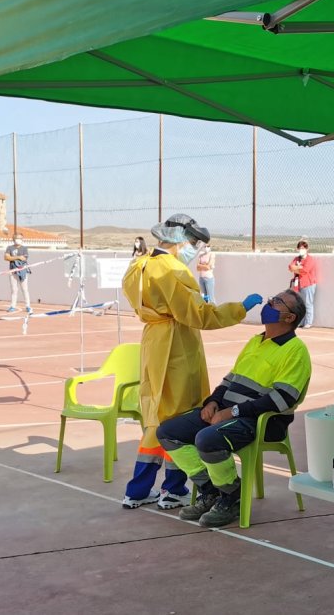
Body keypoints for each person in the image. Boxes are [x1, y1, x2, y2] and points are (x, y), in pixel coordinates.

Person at [120, 213, 263, 510]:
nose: (194, 248)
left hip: (153, 342)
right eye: (193, 242)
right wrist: (239, 308)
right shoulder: (172, 271)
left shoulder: (138, 265)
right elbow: (200, 315)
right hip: (176, 347)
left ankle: (137, 490)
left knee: (154, 418)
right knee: (179, 419)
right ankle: (173, 488)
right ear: (179, 240)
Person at [159, 289, 311, 528]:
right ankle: (211, 490)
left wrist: (233, 412)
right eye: (272, 298)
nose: (270, 303)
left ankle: (232, 496)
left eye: (277, 302)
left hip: (261, 422)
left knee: (207, 439)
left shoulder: (295, 350)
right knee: (168, 432)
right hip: (229, 413)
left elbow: (282, 399)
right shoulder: (256, 341)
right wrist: (213, 402)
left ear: (290, 318)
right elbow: (231, 380)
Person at [288, 239, 318, 329]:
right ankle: (301, 322)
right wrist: (299, 267)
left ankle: (308, 322)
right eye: (300, 248)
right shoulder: (296, 259)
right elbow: (290, 267)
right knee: (300, 304)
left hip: (308, 284)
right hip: (298, 285)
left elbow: (305, 270)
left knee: (308, 303)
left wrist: (296, 268)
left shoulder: (310, 259)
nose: (301, 250)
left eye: (303, 248)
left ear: (307, 249)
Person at [3, 233, 32, 314]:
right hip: (12, 271)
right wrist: (18, 257)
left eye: (20, 238)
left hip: (23, 271)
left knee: (25, 289)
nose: (18, 239)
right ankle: (13, 306)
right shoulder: (9, 248)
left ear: (22, 239)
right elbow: (6, 257)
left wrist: (13, 258)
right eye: (16, 238)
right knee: (14, 290)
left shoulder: (24, 248)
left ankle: (28, 306)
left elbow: (24, 258)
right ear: (13, 239)